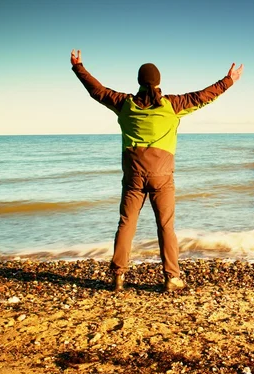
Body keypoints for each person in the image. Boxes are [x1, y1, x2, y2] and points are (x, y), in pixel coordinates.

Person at [70, 49, 243, 292]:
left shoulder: (125, 104)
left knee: (126, 223)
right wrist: (229, 81)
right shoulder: (172, 105)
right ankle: (172, 278)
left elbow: (97, 91)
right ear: (159, 81)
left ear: (139, 82)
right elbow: (203, 96)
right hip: (162, 177)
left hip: (133, 176)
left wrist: (79, 67)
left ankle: (118, 276)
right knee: (165, 226)